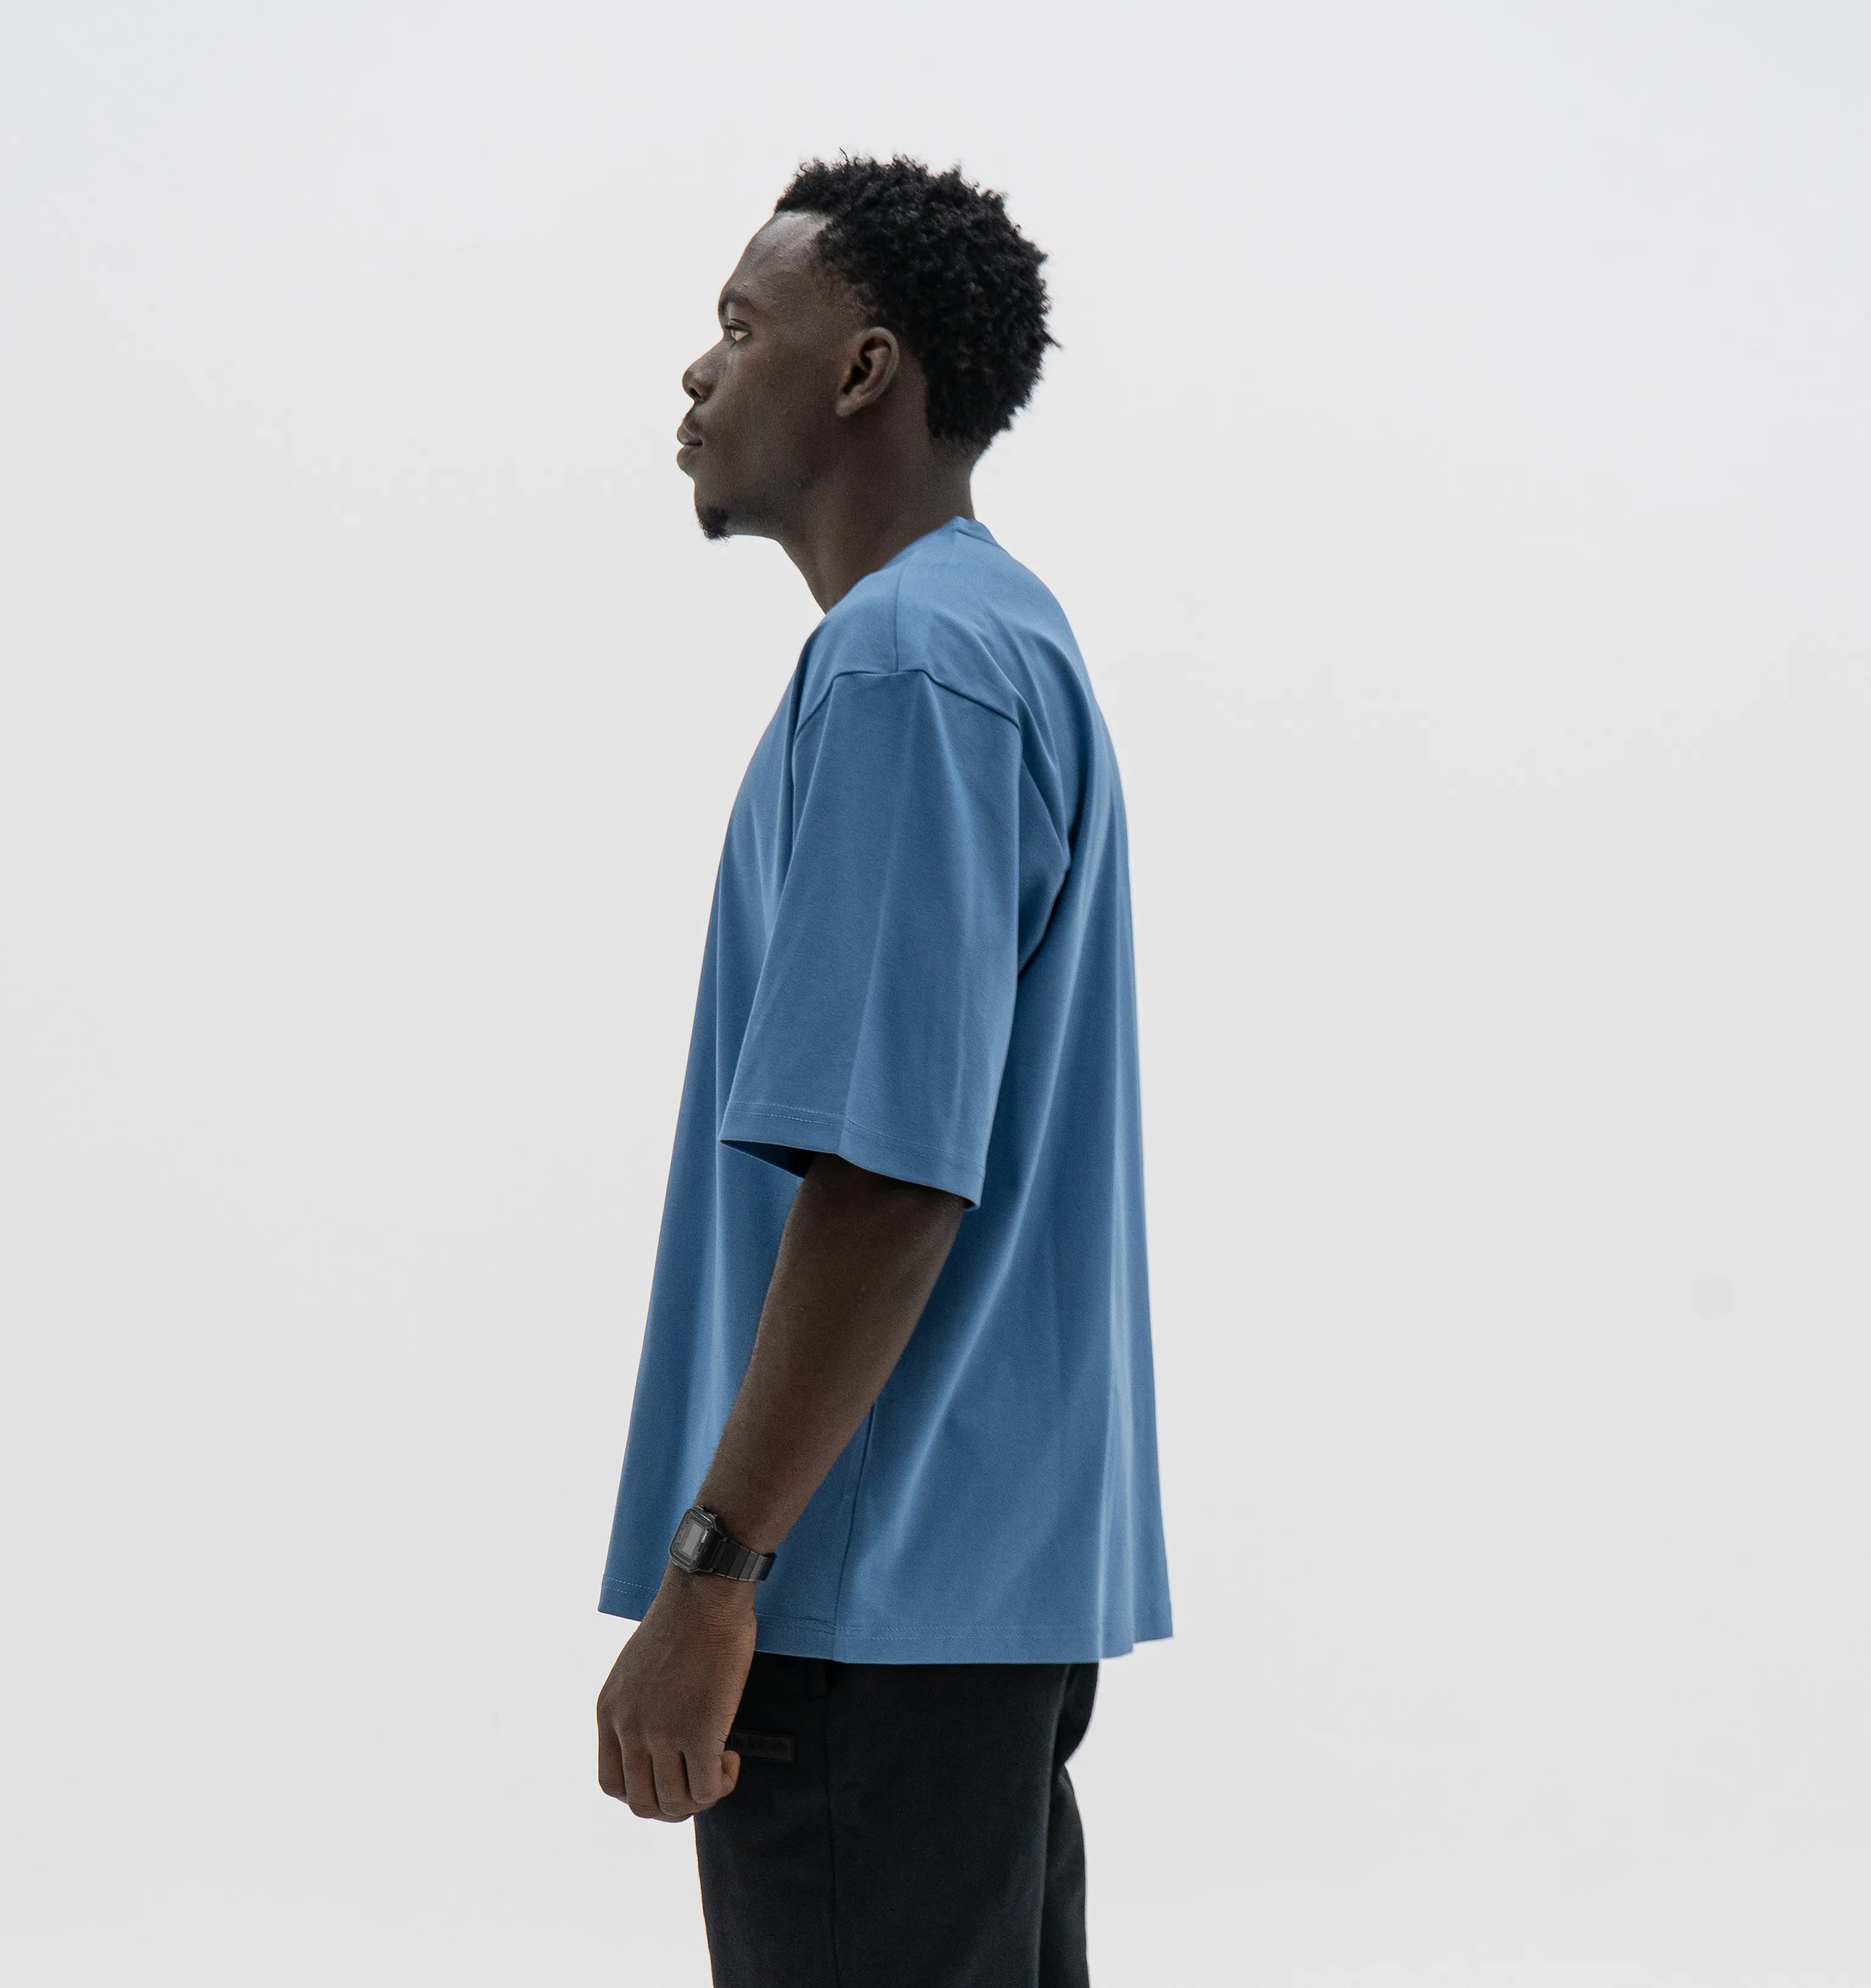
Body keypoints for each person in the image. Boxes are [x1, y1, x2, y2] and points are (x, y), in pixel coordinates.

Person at [595, 156, 1170, 1988]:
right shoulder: (992, 644)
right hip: (953, 1597)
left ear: (864, 373)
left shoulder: (914, 671)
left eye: (742, 326)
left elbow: (891, 1177)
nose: (698, 371)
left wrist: (713, 1573)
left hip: (860, 1609)